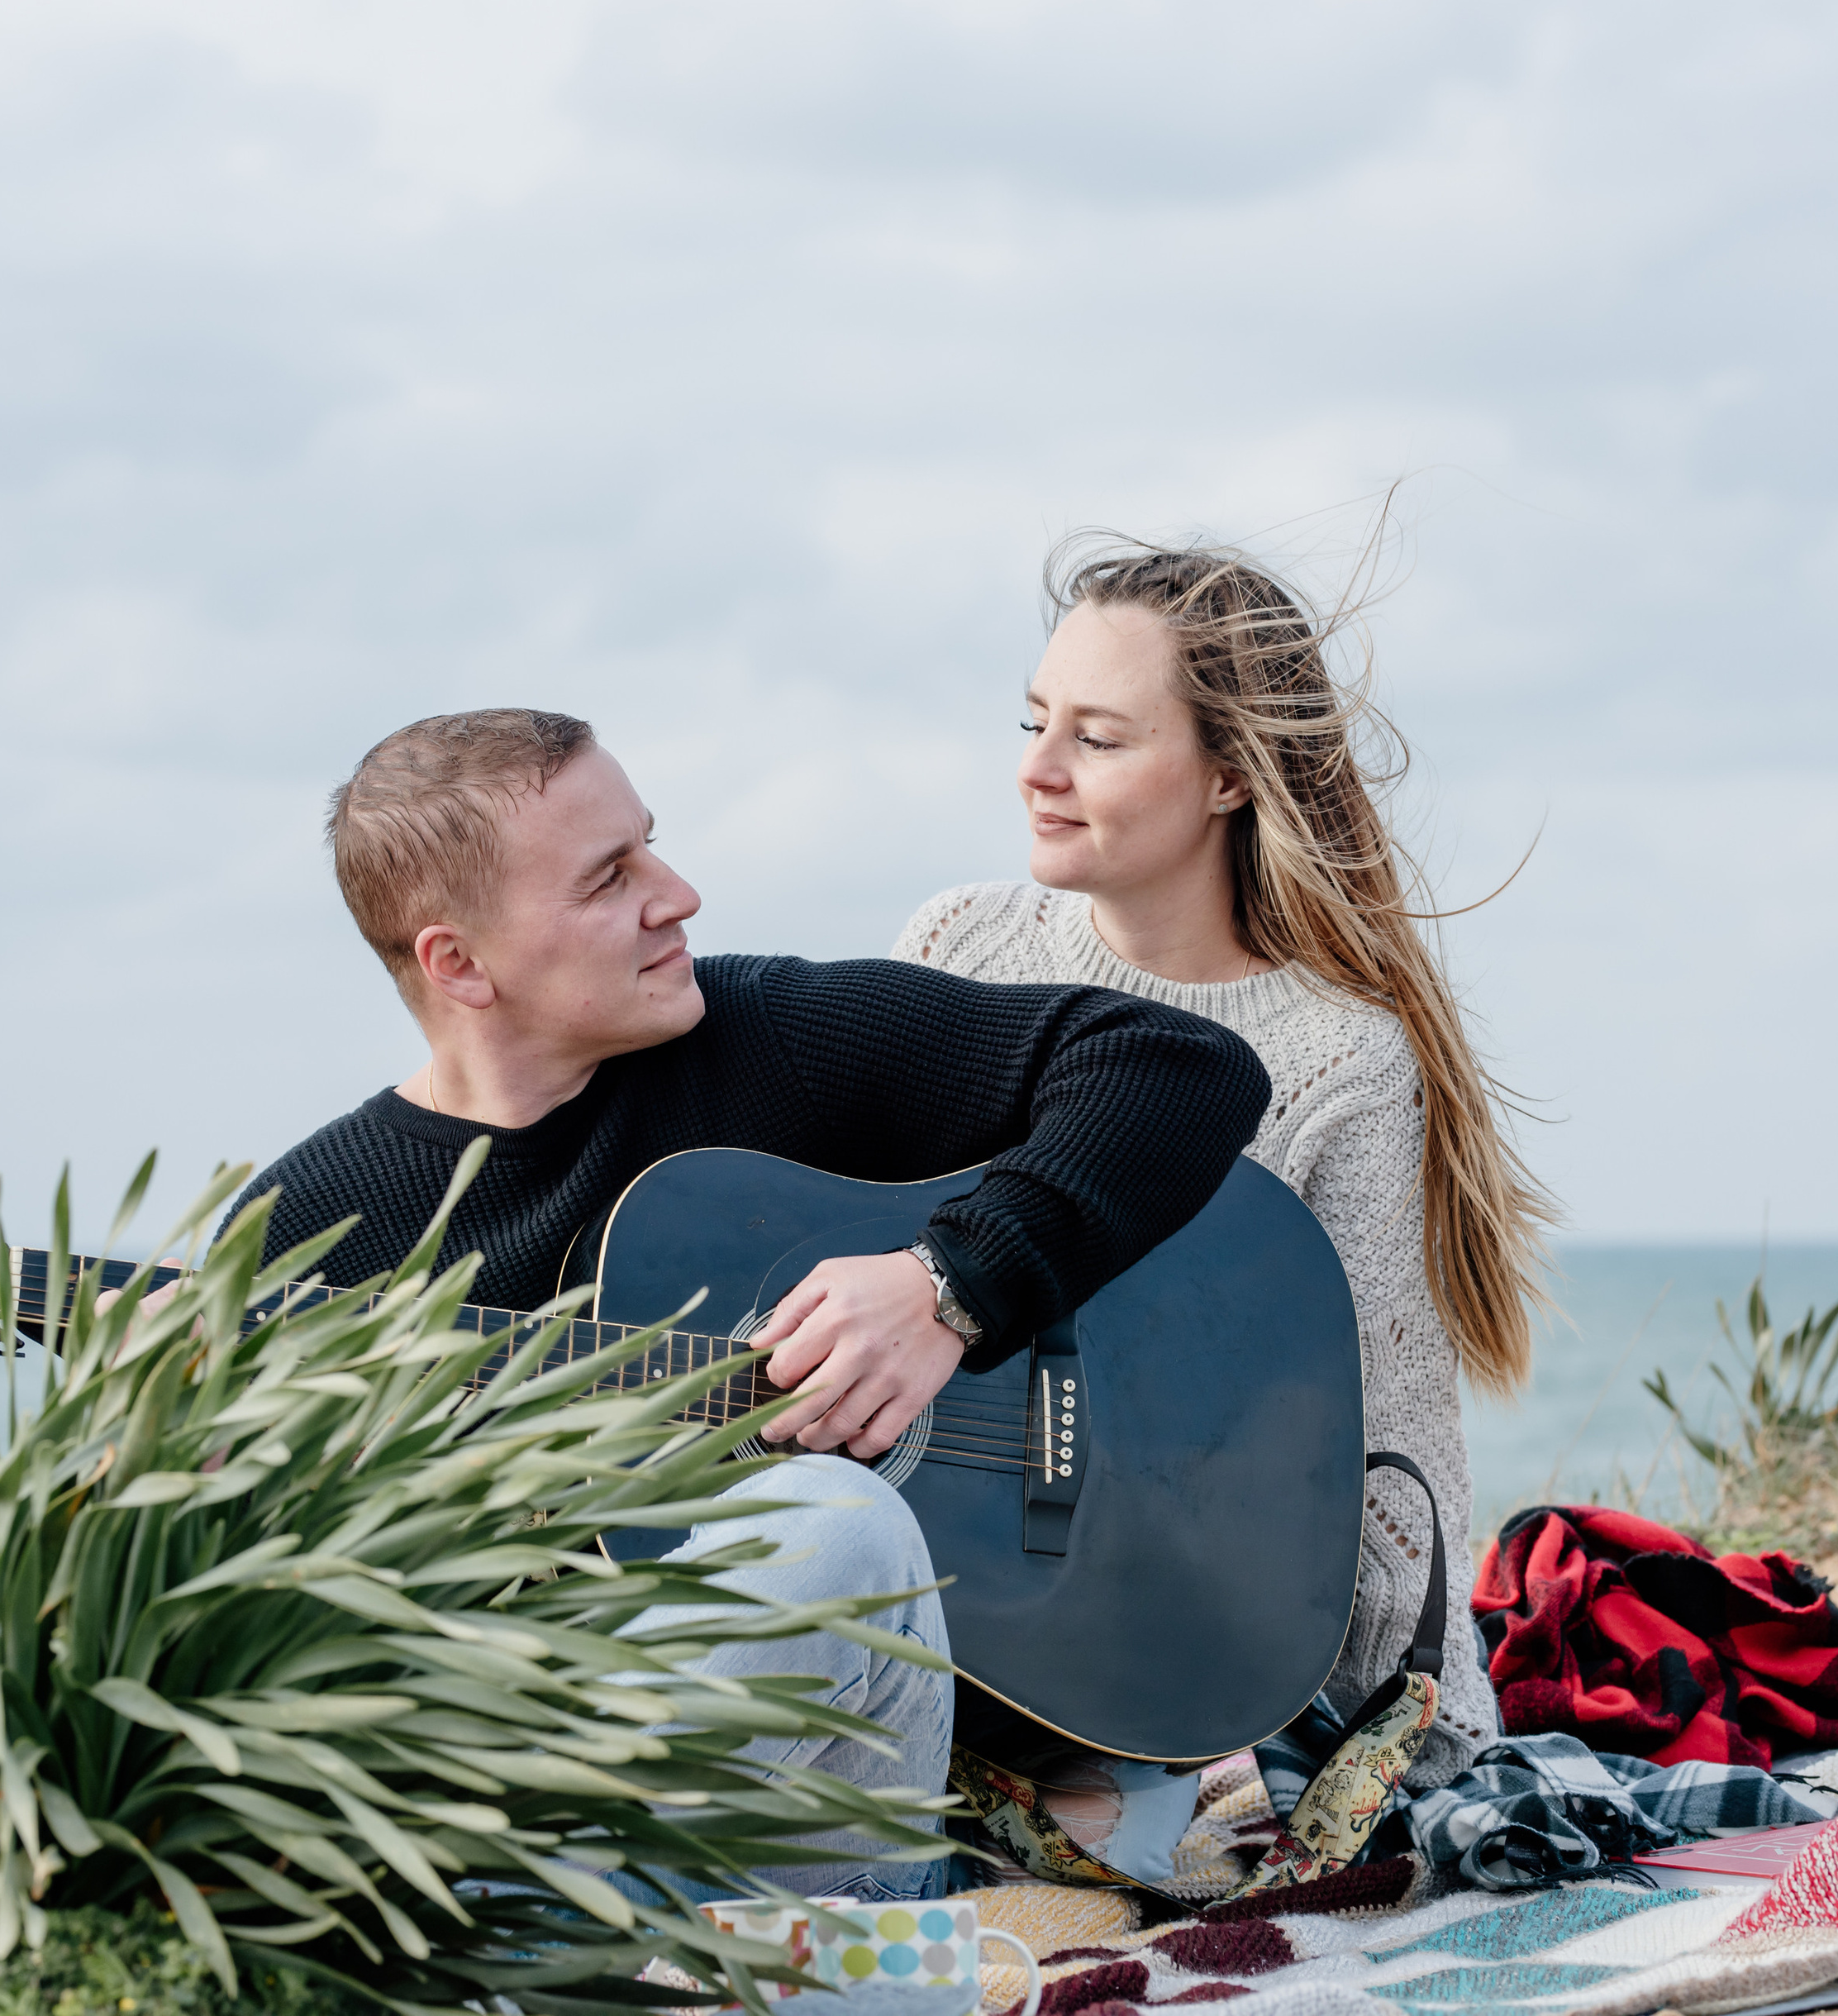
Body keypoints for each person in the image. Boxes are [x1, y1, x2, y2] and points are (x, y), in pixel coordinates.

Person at [230, 707, 1269, 1899]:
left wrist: (951, 1287)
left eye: (649, 847)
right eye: (609, 878)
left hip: (843, 1813)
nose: (678, 894)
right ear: (458, 963)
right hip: (558, 1775)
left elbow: (1180, 1070)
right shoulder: (303, 1248)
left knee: (842, 1524)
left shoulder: (756, 1038)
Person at [894, 540, 1556, 1787]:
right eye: (1037, 722)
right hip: (937, 1599)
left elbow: (1390, 1441)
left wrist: (1419, 1729)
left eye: (1098, 738)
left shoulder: (1339, 1060)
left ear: (1229, 779)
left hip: (1162, 1641)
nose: (1037, 771)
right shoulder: (955, 944)